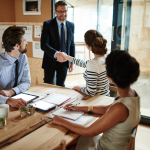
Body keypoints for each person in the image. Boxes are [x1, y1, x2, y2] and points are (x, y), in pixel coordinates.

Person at [52, 50, 140, 150]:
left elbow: (89, 132)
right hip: (112, 143)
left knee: (60, 146)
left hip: (103, 148)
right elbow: (106, 109)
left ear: (111, 77)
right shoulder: (132, 94)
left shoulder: (120, 108)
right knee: (70, 140)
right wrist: (78, 108)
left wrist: (61, 120)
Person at [59, 30, 110, 96]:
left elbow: (90, 92)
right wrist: (66, 57)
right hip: (106, 98)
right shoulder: (105, 59)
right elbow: (83, 63)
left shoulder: (93, 63)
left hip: (97, 101)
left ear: (88, 46)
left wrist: (78, 87)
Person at [41, 1, 75, 87]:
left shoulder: (71, 25)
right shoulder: (47, 24)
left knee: (61, 85)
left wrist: (72, 61)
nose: (63, 14)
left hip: (64, 61)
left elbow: (72, 44)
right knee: (48, 85)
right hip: (50, 59)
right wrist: (57, 54)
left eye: (65, 11)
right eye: (60, 11)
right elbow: (44, 44)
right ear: (55, 11)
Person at [0, 26, 31, 108]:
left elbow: (27, 82)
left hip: (16, 102)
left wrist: (12, 91)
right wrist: (8, 100)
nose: (26, 43)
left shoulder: (23, 58)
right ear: (16, 46)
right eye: (24, 41)